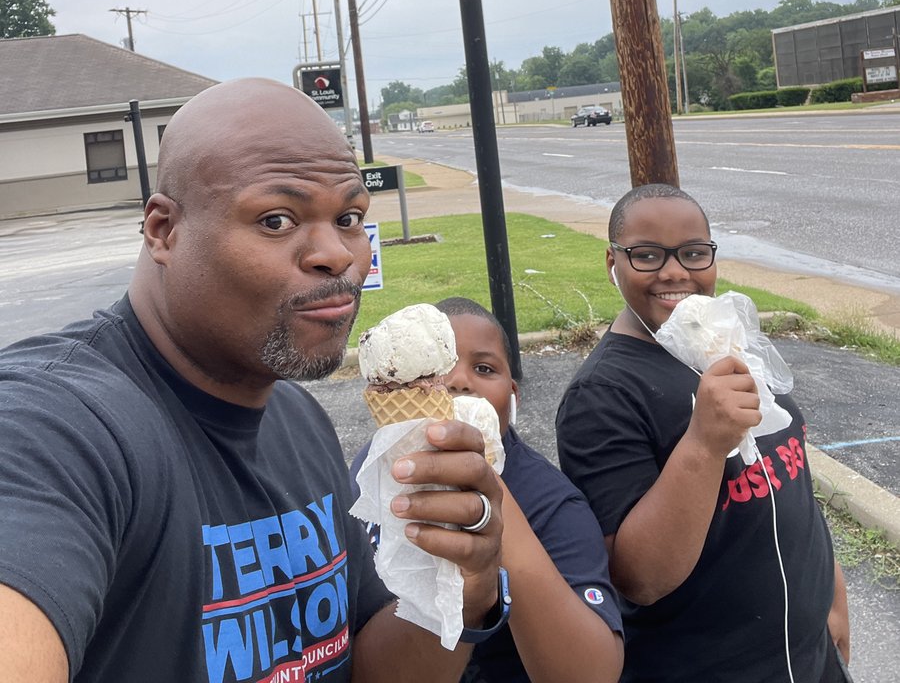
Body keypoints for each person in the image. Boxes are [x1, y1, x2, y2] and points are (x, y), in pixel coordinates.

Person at [0, 78, 506, 683]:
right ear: (164, 230)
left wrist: (464, 580)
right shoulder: (49, 430)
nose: (337, 255)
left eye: (348, 217)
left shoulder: (299, 419)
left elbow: (368, 667)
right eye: (275, 219)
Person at [556, 183, 851, 683]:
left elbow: (789, 482)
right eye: (646, 255)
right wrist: (703, 444)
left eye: (694, 253)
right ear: (612, 261)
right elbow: (639, 578)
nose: (675, 272)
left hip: (809, 657)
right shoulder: (602, 395)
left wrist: (832, 595)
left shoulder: (727, 342)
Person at [352, 297, 624, 683]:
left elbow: (593, 673)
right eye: (439, 365)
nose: (458, 380)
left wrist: (488, 492)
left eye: (483, 368)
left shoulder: (552, 504)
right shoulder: (377, 465)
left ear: (512, 394)